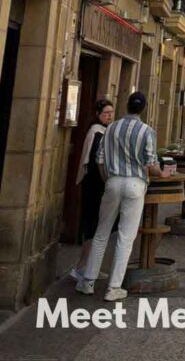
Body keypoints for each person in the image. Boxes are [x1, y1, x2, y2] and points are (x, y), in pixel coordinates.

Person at [76, 92, 162, 302]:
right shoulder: (147, 131)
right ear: (143, 108)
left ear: (126, 105)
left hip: (113, 182)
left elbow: (99, 159)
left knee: (101, 232)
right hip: (135, 184)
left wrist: (108, 179)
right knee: (125, 237)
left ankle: (87, 281)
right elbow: (151, 165)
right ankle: (113, 287)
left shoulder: (111, 128)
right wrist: (162, 173)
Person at [70, 99, 115, 282]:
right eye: (106, 113)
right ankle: (82, 267)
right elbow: (98, 161)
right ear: (98, 114)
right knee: (93, 226)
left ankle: (89, 266)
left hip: (97, 184)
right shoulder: (97, 133)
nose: (109, 115)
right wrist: (106, 179)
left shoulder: (102, 132)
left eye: (111, 112)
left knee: (96, 226)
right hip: (94, 185)